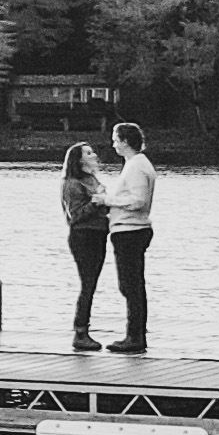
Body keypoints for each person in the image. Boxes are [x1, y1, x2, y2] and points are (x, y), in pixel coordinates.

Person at [99, 121, 158, 352]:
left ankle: (135, 337)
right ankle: (135, 334)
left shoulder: (136, 166)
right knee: (132, 285)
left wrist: (107, 201)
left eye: (116, 140)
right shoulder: (136, 164)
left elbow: (138, 200)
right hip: (130, 229)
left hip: (131, 230)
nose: (113, 144)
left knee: (130, 285)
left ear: (125, 141)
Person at [58, 142, 110, 351]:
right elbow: (75, 216)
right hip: (83, 236)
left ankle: (83, 329)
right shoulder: (72, 183)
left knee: (92, 283)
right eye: (88, 153)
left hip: (99, 234)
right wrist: (96, 202)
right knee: (87, 283)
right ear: (78, 160)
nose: (94, 155)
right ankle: (80, 331)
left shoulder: (92, 179)